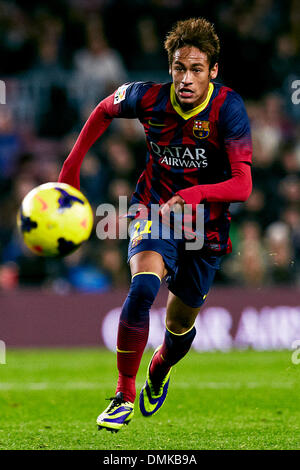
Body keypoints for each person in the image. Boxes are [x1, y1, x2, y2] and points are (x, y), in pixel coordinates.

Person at [58, 17, 252, 432]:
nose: (186, 78)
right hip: (156, 208)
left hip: (206, 224)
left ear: (213, 71)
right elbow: (103, 109)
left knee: (180, 325)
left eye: (196, 70)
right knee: (144, 286)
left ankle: (159, 370)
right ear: (170, 69)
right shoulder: (147, 97)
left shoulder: (229, 109)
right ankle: (123, 394)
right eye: (180, 68)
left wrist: (197, 195)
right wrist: (71, 167)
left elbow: (243, 183)